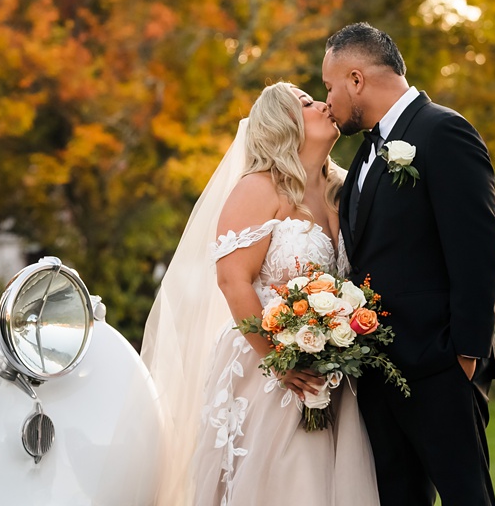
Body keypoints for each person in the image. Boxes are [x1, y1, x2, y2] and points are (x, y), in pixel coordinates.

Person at [141, 81, 379, 506]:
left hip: (335, 373)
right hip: (269, 371)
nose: (323, 104)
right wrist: (278, 358)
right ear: (282, 123)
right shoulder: (258, 188)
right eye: (306, 103)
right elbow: (233, 280)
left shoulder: (342, 191)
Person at [322, 22, 495, 506]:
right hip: (379, 370)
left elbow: (478, 251)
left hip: (440, 365)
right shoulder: (365, 153)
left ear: (356, 80)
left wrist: (465, 355)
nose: (328, 100)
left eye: (330, 86)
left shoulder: (443, 131)